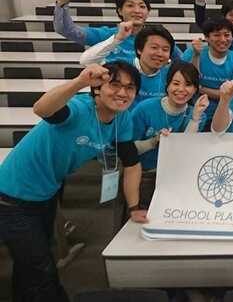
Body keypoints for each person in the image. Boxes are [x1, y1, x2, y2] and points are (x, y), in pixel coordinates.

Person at [0, 63, 140, 302]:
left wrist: (134, 207)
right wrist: (80, 82)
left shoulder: (122, 119)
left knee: (30, 265)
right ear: (98, 89)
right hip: (12, 197)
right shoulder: (78, 109)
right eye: (115, 85)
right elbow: (41, 108)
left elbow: (132, 163)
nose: (122, 93)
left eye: (130, 87)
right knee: (41, 270)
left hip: (45, 194)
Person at [125, 61, 209, 222]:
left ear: (195, 89)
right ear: (167, 85)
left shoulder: (198, 114)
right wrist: (153, 141)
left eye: (188, 85)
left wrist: (195, 119)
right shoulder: (144, 109)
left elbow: (186, 149)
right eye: (176, 83)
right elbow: (128, 150)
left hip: (178, 178)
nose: (181, 89)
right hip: (145, 176)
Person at [52, 0, 181, 63]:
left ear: (148, 12)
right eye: (130, 5)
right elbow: (65, 29)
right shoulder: (106, 35)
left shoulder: (159, 38)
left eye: (142, 6)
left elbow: (182, 61)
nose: (137, 10)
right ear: (120, 11)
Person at [80, 23, 175, 108]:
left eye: (165, 49)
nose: (159, 53)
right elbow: (86, 61)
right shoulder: (121, 67)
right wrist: (117, 39)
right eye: (154, 47)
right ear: (139, 49)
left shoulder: (171, 75)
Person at [182, 18, 233, 124]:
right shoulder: (192, 52)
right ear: (207, 37)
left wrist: (200, 89)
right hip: (192, 112)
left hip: (225, 115)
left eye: (227, 35)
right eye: (217, 35)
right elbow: (187, 82)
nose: (223, 39)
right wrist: (196, 56)